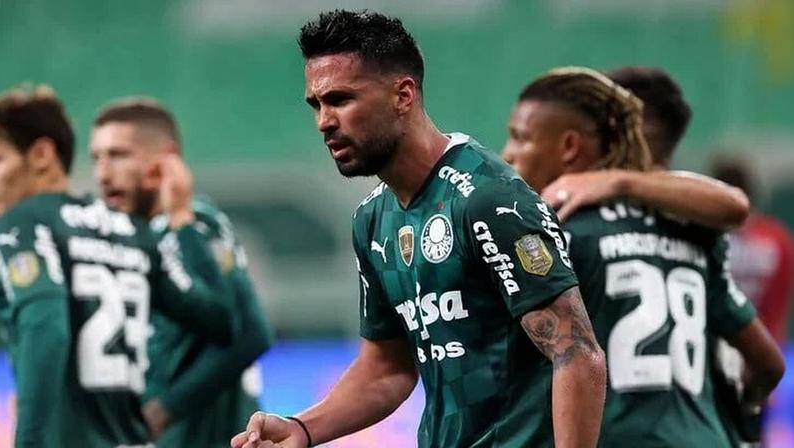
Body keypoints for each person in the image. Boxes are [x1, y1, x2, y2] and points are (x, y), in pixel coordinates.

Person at [234, 10, 606, 448]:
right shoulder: (373, 219)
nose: (324, 121)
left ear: (403, 96)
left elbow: (577, 354)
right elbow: (387, 368)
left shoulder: (488, 199)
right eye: (316, 104)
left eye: (341, 99)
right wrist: (302, 428)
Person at [502, 66, 784, 447]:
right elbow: (769, 364)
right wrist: (733, 417)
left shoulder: (557, 227)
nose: (508, 153)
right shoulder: (696, 231)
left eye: (521, 138)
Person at [0, 86, 235, 447]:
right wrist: (181, 220)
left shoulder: (24, 225)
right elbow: (220, 319)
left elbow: (46, 329)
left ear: (42, 155)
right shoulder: (131, 230)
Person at [90, 98, 273, 447]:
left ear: (165, 161)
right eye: (96, 158)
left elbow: (251, 332)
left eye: (118, 155)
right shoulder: (128, 242)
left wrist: (164, 410)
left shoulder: (196, 226)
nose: (103, 173)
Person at [538, 66, 749, 230]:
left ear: (640, 127)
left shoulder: (696, 214)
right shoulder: (581, 198)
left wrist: (618, 181)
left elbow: (735, 205)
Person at [711, 154, 794, 343]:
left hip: (716, 344)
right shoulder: (778, 238)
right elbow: (779, 304)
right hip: (764, 343)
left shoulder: (703, 236)